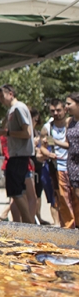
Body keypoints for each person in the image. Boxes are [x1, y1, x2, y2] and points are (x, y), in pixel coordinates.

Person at [0, 85, 35, 223]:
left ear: (10, 94)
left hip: (19, 155)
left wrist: (5, 133)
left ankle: (29, 224)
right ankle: (27, 223)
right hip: (15, 155)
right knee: (16, 192)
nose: (0, 100)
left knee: (16, 191)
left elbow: (27, 133)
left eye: (2, 96)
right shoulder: (12, 110)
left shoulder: (18, 108)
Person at [41, 98, 74, 227]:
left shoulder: (70, 124)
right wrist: (48, 153)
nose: (56, 113)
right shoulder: (48, 128)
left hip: (73, 165)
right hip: (57, 166)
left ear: (64, 110)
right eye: (53, 111)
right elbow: (43, 146)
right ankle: (65, 226)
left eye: (58, 110)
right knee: (61, 197)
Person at [63, 92, 79, 226]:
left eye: (69, 103)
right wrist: (54, 142)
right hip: (73, 164)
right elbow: (68, 143)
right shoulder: (70, 121)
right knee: (76, 197)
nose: (66, 106)